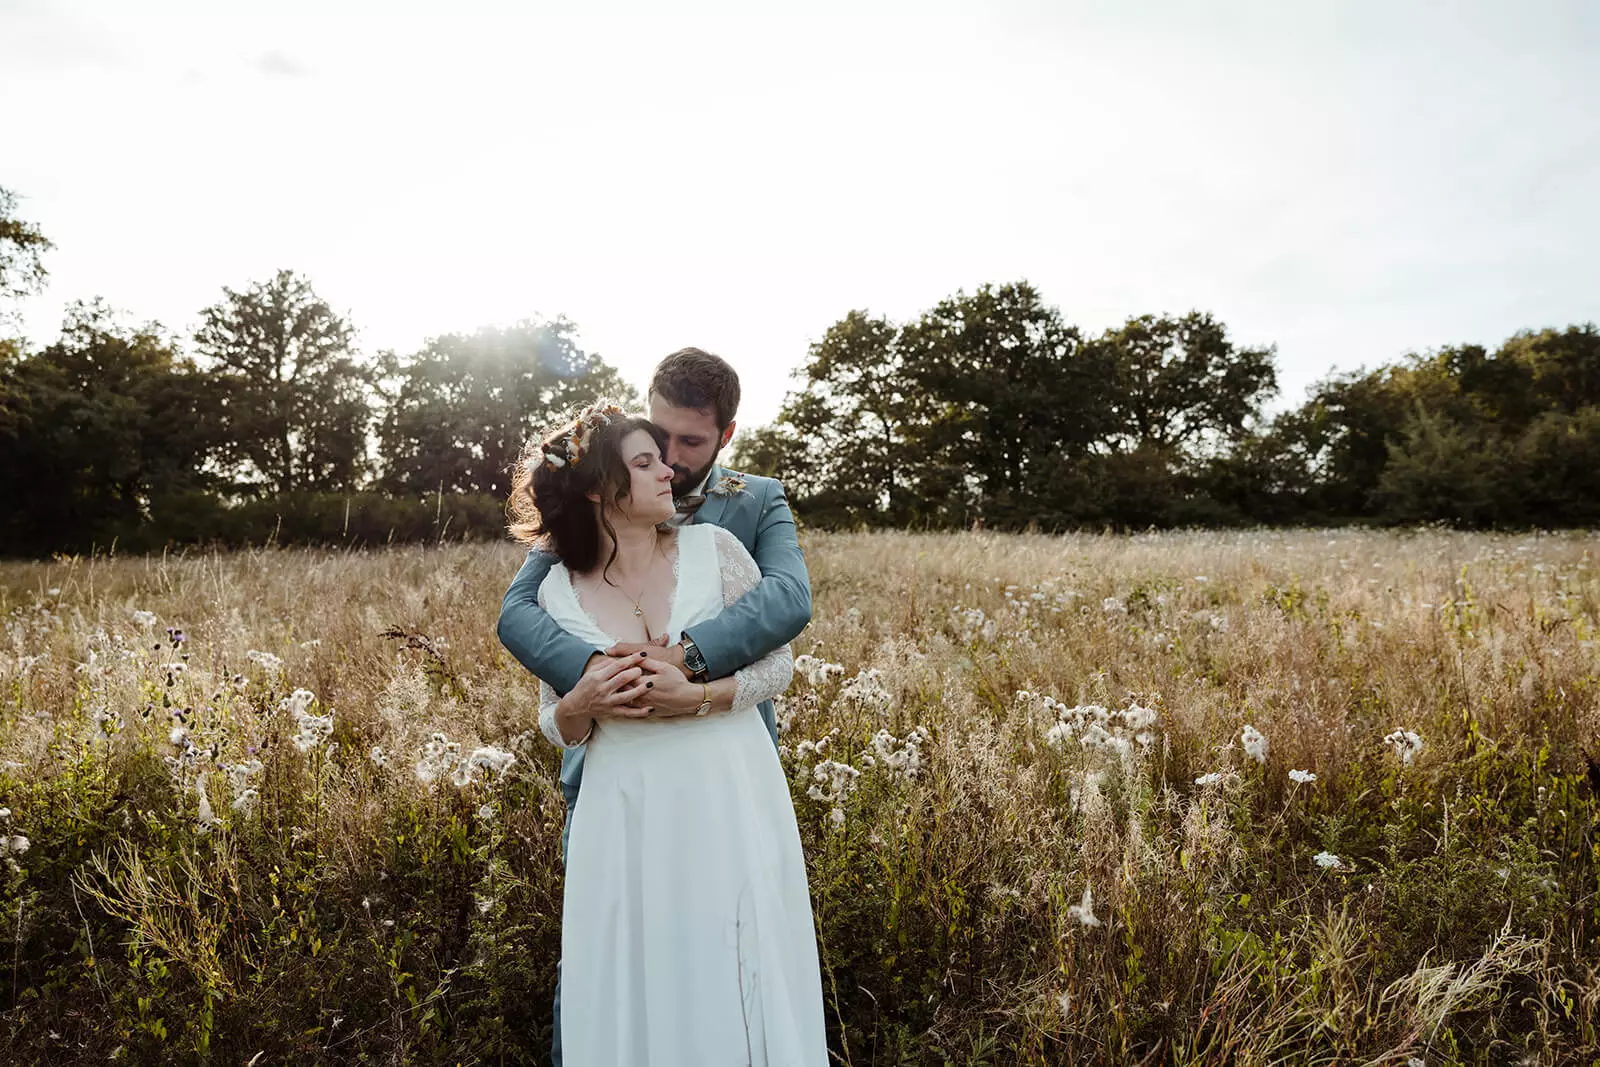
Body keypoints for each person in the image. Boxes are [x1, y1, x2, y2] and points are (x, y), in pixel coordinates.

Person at [497, 350, 818, 1064]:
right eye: (657, 441)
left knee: (729, 959)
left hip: (721, 770)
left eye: (690, 444)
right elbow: (518, 613)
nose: (671, 459)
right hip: (615, 784)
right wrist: (595, 683)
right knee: (607, 967)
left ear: (725, 436)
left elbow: (787, 603)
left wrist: (683, 666)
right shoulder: (590, 491)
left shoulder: (751, 503)